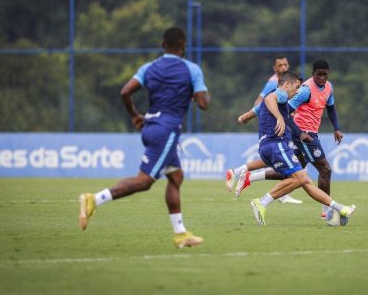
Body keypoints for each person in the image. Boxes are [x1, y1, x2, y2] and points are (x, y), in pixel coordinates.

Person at [78, 27, 210, 248]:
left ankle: (180, 234)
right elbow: (204, 104)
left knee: (175, 178)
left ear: (162, 45)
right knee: (144, 181)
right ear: (183, 46)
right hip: (167, 130)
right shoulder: (191, 69)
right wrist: (199, 93)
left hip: (150, 126)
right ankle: (93, 199)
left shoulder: (149, 68)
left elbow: (125, 91)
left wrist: (134, 116)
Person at [233, 59, 343, 218]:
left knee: (294, 174)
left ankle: (251, 177)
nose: (298, 91)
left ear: (329, 74)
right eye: (297, 87)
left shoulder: (328, 88)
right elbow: (272, 101)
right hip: (302, 134)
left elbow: (331, 108)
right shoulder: (297, 92)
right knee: (321, 170)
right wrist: (294, 129)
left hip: (276, 143)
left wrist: (244, 117)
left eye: (324, 75)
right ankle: (328, 212)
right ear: (312, 75)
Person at [225, 56, 302, 204]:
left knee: (284, 170)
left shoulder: (284, 93)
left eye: (286, 64)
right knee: (301, 177)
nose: (284, 67)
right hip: (274, 139)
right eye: (280, 65)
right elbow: (265, 101)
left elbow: (261, 107)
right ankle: (265, 199)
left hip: (270, 141)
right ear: (275, 69)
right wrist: (277, 117)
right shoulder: (275, 86)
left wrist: (245, 117)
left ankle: (244, 176)